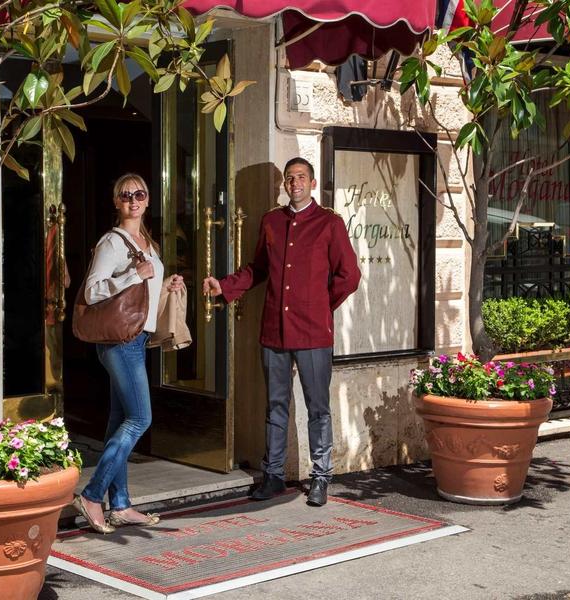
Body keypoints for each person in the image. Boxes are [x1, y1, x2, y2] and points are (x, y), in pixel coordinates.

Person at [202, 157, 360, 507]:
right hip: (274, 330)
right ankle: (273, 475)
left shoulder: (329, 224)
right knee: (275, 406)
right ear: (284, 185)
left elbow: (349, 276)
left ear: (312, 183)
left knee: (317, 407)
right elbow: (257, 269)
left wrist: (319, 308)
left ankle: (321, 476)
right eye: (290, 178)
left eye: (301, 177)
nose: (295, 183)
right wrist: (223, 286)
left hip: (313, 334)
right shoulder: (272, 222)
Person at [73, 173, 184, 533]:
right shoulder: (112, 242)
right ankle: (92, 494)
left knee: (119, 421)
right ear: (116, 201)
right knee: (140, 419)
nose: (133, 200)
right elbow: (92, 291)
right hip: (119, 343)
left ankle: (119, 505)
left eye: (139, 194)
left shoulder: (145, 241)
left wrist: (164, 284)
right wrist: (134, 276)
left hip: (135, 339)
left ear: (148, 199)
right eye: (125, 195)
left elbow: (145, 287)